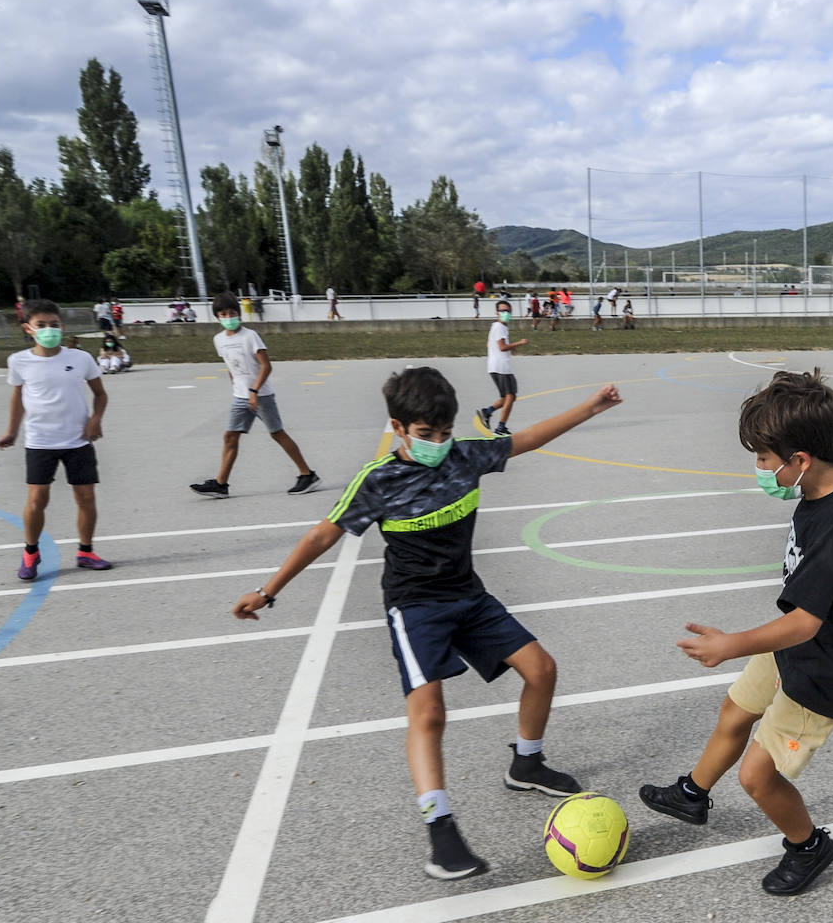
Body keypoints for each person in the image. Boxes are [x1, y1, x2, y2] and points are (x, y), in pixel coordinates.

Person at [232, 367, 623, 879]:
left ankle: (526, 763)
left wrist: (590, 407)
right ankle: (441, 833)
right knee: (430, 713)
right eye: (425, 435)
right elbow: (321, 536)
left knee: (541, 669)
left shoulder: (465, 456)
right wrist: (268, 590)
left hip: (467, 594)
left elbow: (523, 439)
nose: (438, 443)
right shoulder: (378, 481)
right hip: (415, 606)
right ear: (398, 427)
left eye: (443, 432)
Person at [639, 370, 833, 896]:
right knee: (735, 711)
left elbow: (805, 620)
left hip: (824, 671)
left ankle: (808, 846)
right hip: (790, 648)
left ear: (801, 461)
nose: (758, 469)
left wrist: (730, 644)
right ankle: (692, 793)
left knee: (757, 776)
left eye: (762, 459)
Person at [0, 298, 113, 579]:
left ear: (62, 326)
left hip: (78, 440)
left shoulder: (80, 358)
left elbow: (100, 394)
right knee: (37, 499)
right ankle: (31, 552)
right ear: (28, 328)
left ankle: (85, 551)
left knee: (85, 497)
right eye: (41, 325)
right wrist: (12, 430)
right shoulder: (19, 361)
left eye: (54, 324)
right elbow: (18, 398)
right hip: (40, 441)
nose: (49, 329)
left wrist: (96, 419)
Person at [189, 291, 320, 498]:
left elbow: (266, 367)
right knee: (230, 436)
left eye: (232, 313)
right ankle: (221, 484)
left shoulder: (250, 336)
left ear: (239, 314)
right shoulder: (219, 340)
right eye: (223, 314)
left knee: (277, 433)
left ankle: (307, 474)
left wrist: (254, 391)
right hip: (240, 397)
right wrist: (237, 387)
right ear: (217, 317)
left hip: (261, 395)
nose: (228, 317)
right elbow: (231, 366)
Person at [477, 300, 528, 436]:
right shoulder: (500, 327)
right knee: (510, 397)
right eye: (502, 311)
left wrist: (512, 348)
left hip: (495, 367)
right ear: (497, 312)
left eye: (508, 311)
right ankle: (501, 427)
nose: (505, 313)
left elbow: (490, 345)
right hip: (502, 367)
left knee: (506, 397)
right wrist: (520, 343)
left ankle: (487, 412)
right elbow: (502, 347)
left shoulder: (496, 326)